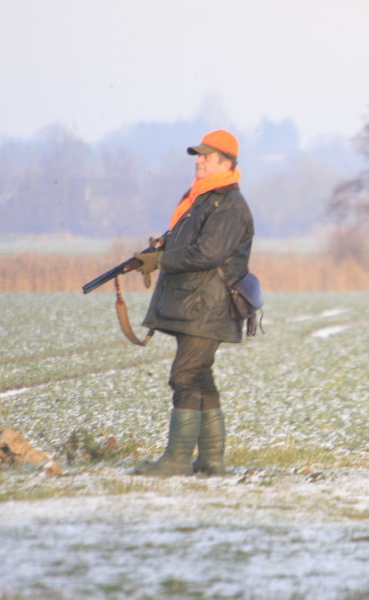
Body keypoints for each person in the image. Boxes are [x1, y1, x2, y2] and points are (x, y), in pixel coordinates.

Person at [131, 129, 254, 477]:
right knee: (199, 376)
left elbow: (208, 254)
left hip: (209, 307)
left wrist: (161, 261)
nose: (199, 161)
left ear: (226, 163)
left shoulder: (229, 206)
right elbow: (193, 246)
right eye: (199, 155)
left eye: (207, 156)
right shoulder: (202, 199)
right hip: (198, 304)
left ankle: (176, 460)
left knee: (184, 375)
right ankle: (211, 461)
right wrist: (162, 248)